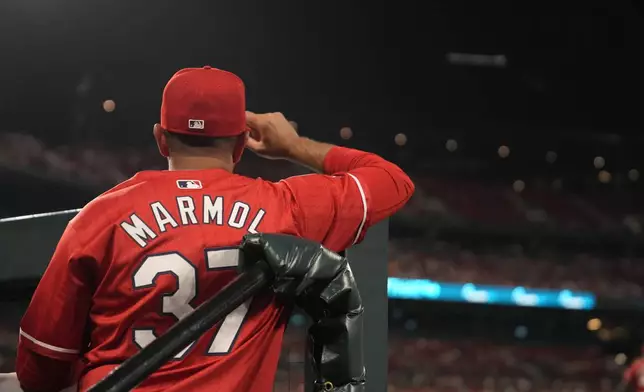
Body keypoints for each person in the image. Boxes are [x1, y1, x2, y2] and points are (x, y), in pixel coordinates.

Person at [15, 66, 415, 392]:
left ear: (160, 139)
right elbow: (393, 181)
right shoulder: (287, 208)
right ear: (242, 144)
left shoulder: (99, 216)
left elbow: (41, 371)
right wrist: (293, 147)